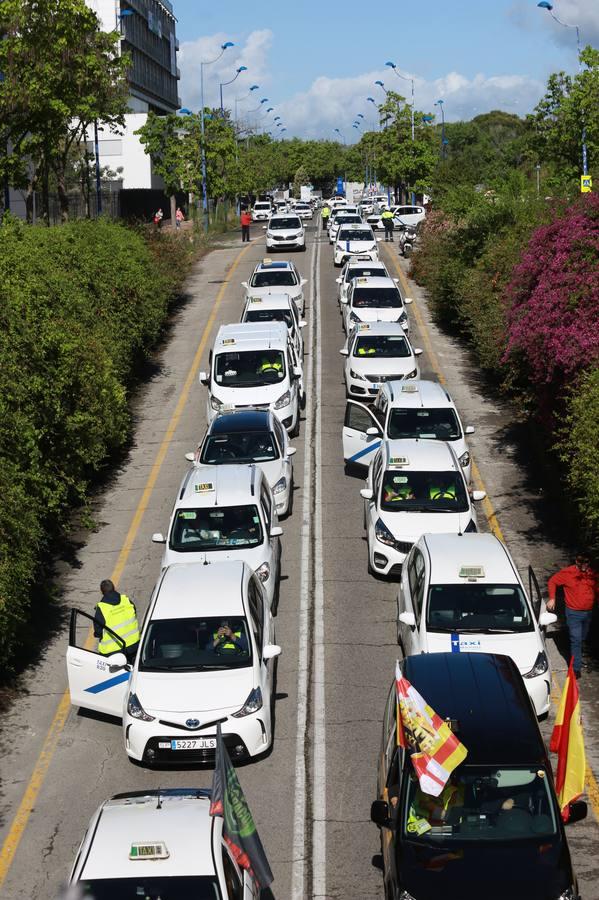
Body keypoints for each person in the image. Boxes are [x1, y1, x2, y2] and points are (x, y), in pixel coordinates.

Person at [547, 554, 599, 678]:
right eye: (583, 562)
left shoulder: (591, 574)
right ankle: (576, 669)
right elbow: (552, 581)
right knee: (576, 639)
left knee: (581, 638)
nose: (585, 565)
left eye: (588, 562)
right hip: (573, 613)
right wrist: (552, 598)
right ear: (577, 561)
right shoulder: (567, 573)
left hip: (588, 613)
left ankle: (575, 653)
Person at [93, 579, 140, 662]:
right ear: (114, 588)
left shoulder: (102, 608)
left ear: (101, 592)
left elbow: (98, 631)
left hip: (113, 652)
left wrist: (97, 634)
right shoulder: (126, 600)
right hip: (134, 645)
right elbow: (134, 613)